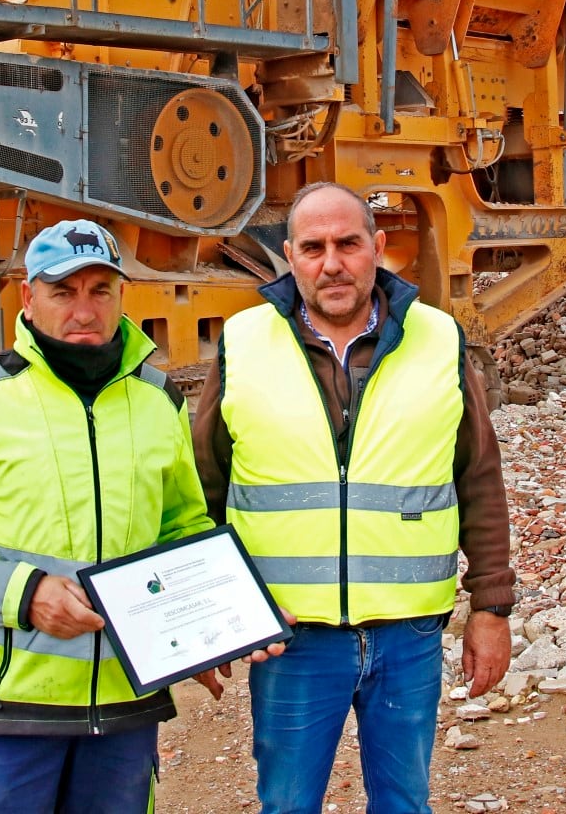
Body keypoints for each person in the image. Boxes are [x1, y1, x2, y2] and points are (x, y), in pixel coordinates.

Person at [192, 182, 515, 814]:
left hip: (408, 635)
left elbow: (478, 476)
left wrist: (491, 607)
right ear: (290, 254)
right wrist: (211, 617)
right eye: (313, 248)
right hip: (291, 637)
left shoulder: (438, 339)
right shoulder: (245, 341)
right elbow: (204, 486)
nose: (331, 263)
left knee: (404, 804)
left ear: (379, 247)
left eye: (348, 244)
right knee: (287, 806)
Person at [0, 218, 213, 813]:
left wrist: (206, 632)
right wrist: (24, 594)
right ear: (29, 298)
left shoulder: (161, 401)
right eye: (63, 291)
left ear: (121, 296)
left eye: (99, 290)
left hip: (125, 707)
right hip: (7, 713)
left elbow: (184, 531)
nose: (84, 309)